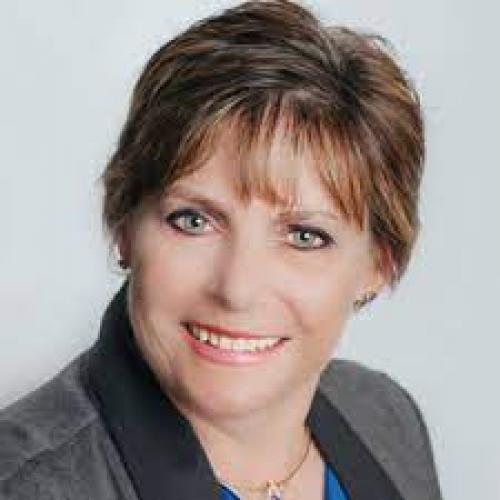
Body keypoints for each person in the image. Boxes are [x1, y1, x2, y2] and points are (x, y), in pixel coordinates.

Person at [0, 1, 443, 499]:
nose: (238, 289)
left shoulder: (386, 418)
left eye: (304, 236)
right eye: (194, 221)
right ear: (124, 225)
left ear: (379, 264)